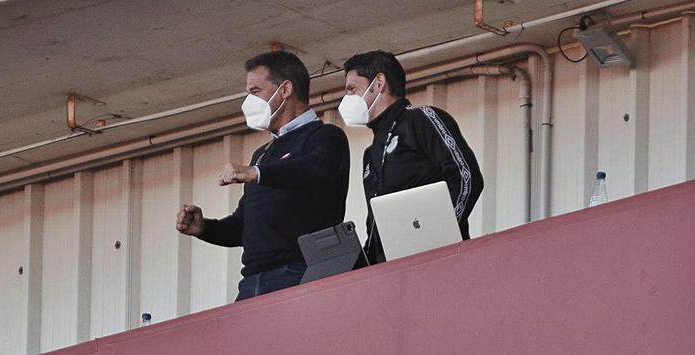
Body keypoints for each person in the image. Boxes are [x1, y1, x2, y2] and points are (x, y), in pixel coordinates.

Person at [176, 51, 349, 301]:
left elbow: (314, 169)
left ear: (285, 89)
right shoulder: (263, 154)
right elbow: (245, 226)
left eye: (255, 91)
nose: (248, 101)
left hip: (299, 271)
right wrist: (205, 228)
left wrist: (258, 173)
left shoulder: (324, 137)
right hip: (251, 281)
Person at [338, 50, 484, 265]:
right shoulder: (370, 154)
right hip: (390, 272)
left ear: (379, 83)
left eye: (352, 89)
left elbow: (466, 177)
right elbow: (376, 222)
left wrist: (435, 237)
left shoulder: (421, 118)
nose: (347, 99)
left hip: (438, 261)